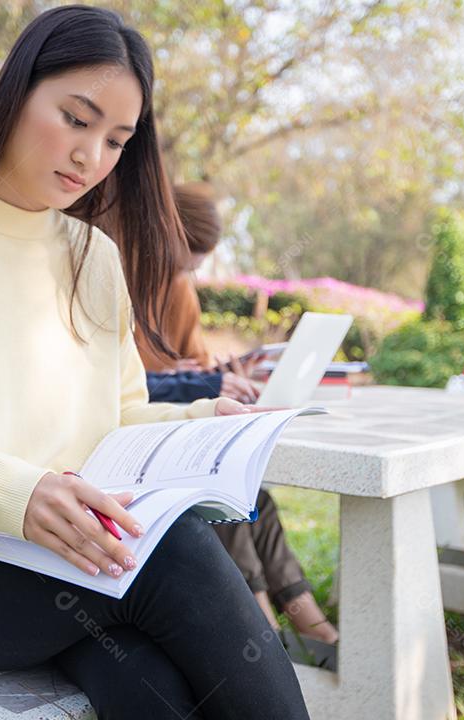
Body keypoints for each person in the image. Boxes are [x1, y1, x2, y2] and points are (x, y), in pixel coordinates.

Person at [0, 6, 311, 719]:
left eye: (117, 139)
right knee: (176, 553)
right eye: (76, 119)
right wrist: (15, 491)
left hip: (76, 555)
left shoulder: (93, 257)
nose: (92, 157)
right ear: (16, 91)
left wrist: (205, 420)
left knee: (146, 683)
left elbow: (115, 416)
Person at [138, 183, 340, 651]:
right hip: (140, 441)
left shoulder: (178, 293)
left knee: (256, 499)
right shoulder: (111, 283)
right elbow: (116, 382)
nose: (190, 271)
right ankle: (266, 635)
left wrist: (219, 374)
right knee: (223, 500)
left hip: (181, 425)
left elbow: (195, 368)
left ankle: (312, 630)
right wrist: (176, 378)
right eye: (185, 258)